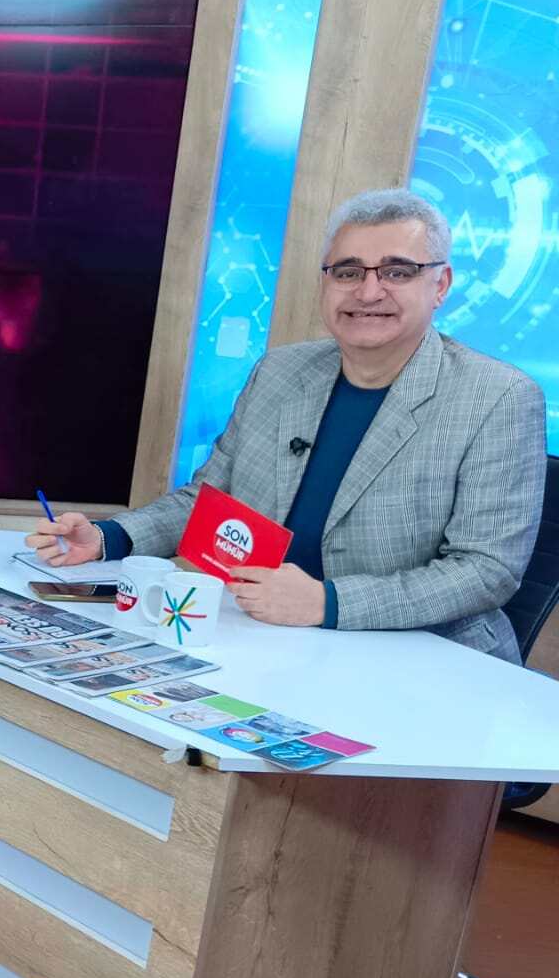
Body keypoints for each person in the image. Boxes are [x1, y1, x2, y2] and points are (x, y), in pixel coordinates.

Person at [29, 187, 547, 661]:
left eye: (396, 272)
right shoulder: (280, 371)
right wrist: (108, 537)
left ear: (440, 285)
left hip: (428, 661)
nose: (369, 292)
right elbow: (209, 503)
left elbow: (486, 571)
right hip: (267, 639)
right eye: (348, 272)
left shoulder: (498, 397)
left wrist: (328, 602)